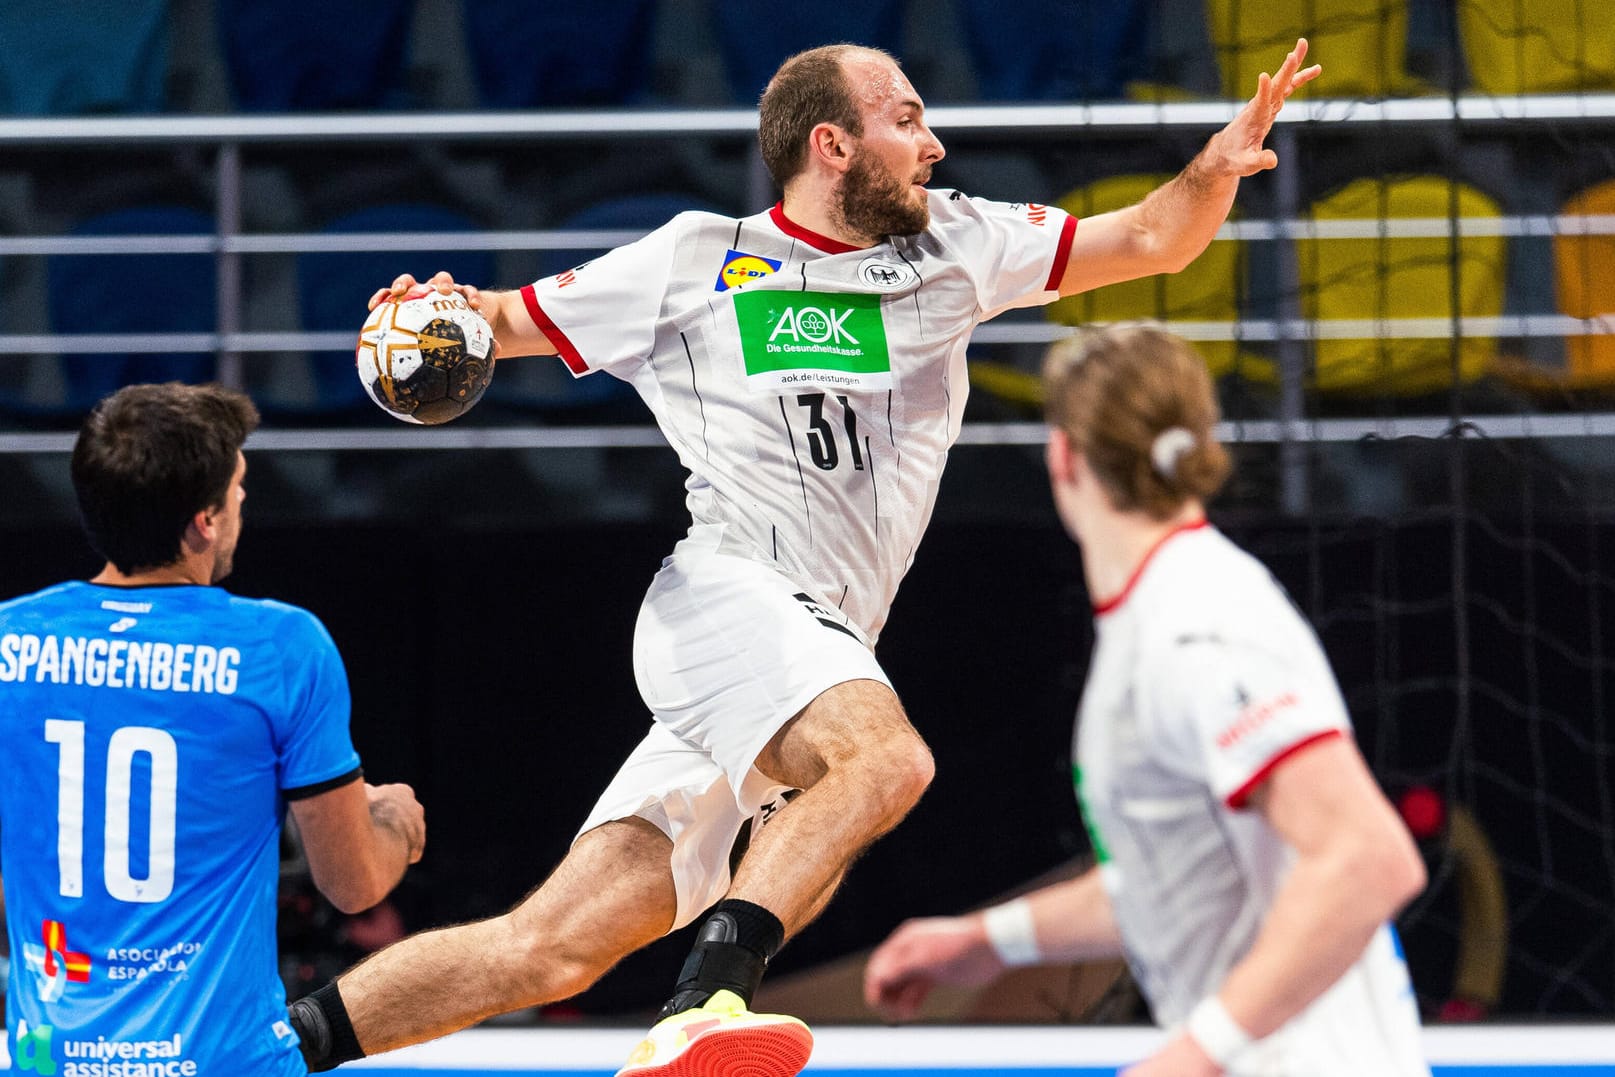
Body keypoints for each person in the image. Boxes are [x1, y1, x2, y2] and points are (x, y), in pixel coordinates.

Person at [288, 40, 1323, 1077]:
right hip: (726, 601)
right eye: (908, 119)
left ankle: (271, 1045)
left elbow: (1150, 237)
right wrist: (422, 316)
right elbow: (497, 323)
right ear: (832, 144)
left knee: (551, 948)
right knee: (884, 758)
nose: (936, 141)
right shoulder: (692, 258)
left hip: (810, 650)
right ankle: (706, 1002)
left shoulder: (956, 242)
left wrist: (1212, 170)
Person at [862, 324, 1430, 1076]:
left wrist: (1197, 1054)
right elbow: (1173, 879)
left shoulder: (1198, 624)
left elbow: (1368, 858)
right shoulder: (1160, 611)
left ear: (1061, 454)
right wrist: (985, 942)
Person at [0, 383, 425, 1075]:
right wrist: (395, 820)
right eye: (238, 487)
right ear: (204, 519)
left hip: (48, 1061)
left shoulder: (10, 639)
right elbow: (353, 885)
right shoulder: (281, 647)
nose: (242, 503)